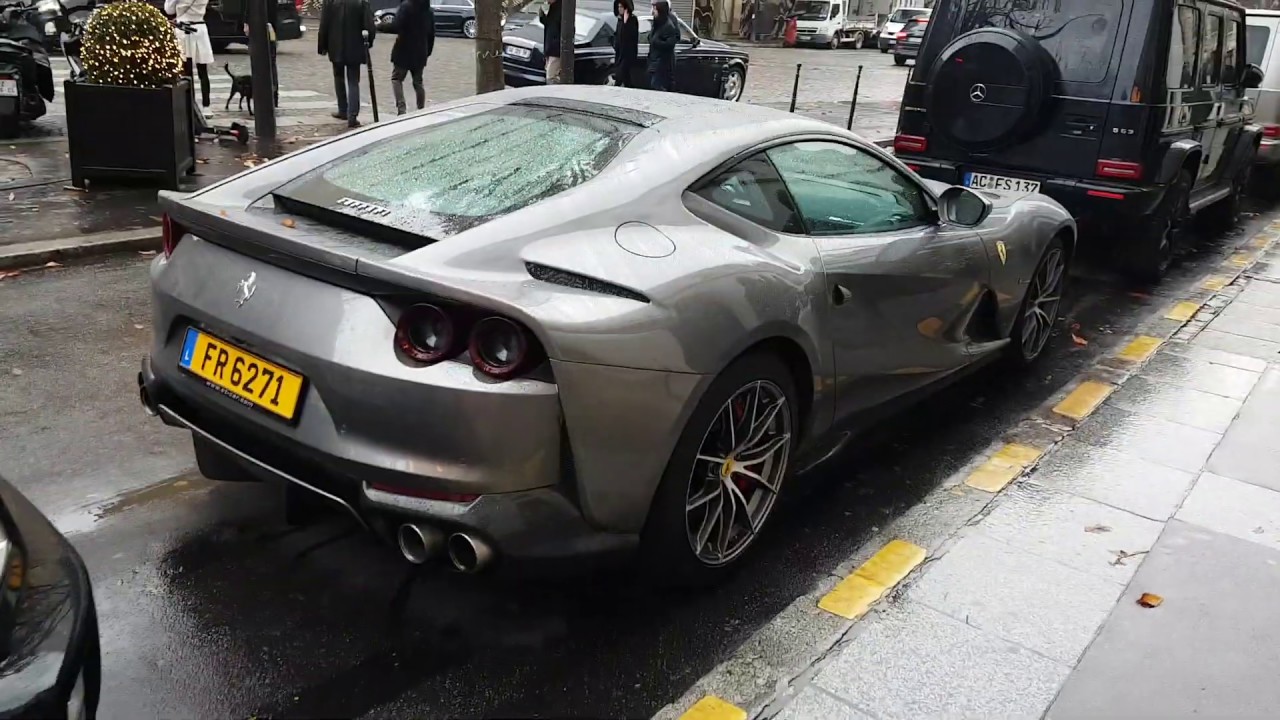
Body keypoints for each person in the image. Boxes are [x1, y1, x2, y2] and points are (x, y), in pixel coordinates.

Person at [318, 0, 377, 128]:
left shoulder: (331, 2)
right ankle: (352, 116)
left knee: (338, 78)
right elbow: (370, 26)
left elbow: (324, 24)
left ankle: (343, 109)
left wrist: (322, 45)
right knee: (353, 81)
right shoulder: (360, 2)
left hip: (335, 46)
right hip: (355, 47)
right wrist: (369, 42)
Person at [165, 0, 214, 114]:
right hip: (200, 28)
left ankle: (190, 103)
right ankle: (206, 106)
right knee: (203, 71)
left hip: (183, 29)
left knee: (186, 71)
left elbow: (169, 9)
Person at [390, 0, 434, 114]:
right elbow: (431, 34)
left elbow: (396, 25)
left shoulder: (406, 6)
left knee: (397, 79)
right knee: (418, 82)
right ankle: (421, 109)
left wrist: (381, 26)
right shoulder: (427, 10)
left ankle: (401, 109)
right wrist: (427, 52)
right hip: (420, 52)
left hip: (403, 50)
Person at [240, 0, 281, 105]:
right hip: (267, 24)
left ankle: (267, 94)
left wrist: (246, 21)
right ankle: (271, 94)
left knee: (263, 62)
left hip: (263, 24)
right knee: (269, 63)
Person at [648, 0, 679, 91]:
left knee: (657, 86)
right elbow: (652, 37)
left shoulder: (669, 25)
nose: (653, 11)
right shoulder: (657, 22)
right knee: (653, 85)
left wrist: (657, 42)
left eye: (655, 9)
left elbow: (671, 43)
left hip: (661, 63)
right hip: (653, 60)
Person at [612, 0, 638, 87]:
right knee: (627, 80)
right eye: (618, 7)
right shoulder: (619, 20)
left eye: (622, 7)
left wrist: (625, 23)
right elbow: (617, 35)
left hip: (627, 55)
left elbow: (630, 36)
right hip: (619, 54)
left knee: (619, 76)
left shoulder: (632, 20)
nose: (620, 9)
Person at [540, 0, 562, 84]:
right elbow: (550, 24)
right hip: (551, 48)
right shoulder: (553, 8)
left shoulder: (560, 8)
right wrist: (542, 16)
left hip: (555, 50)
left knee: (551, 77)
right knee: (550, 75)